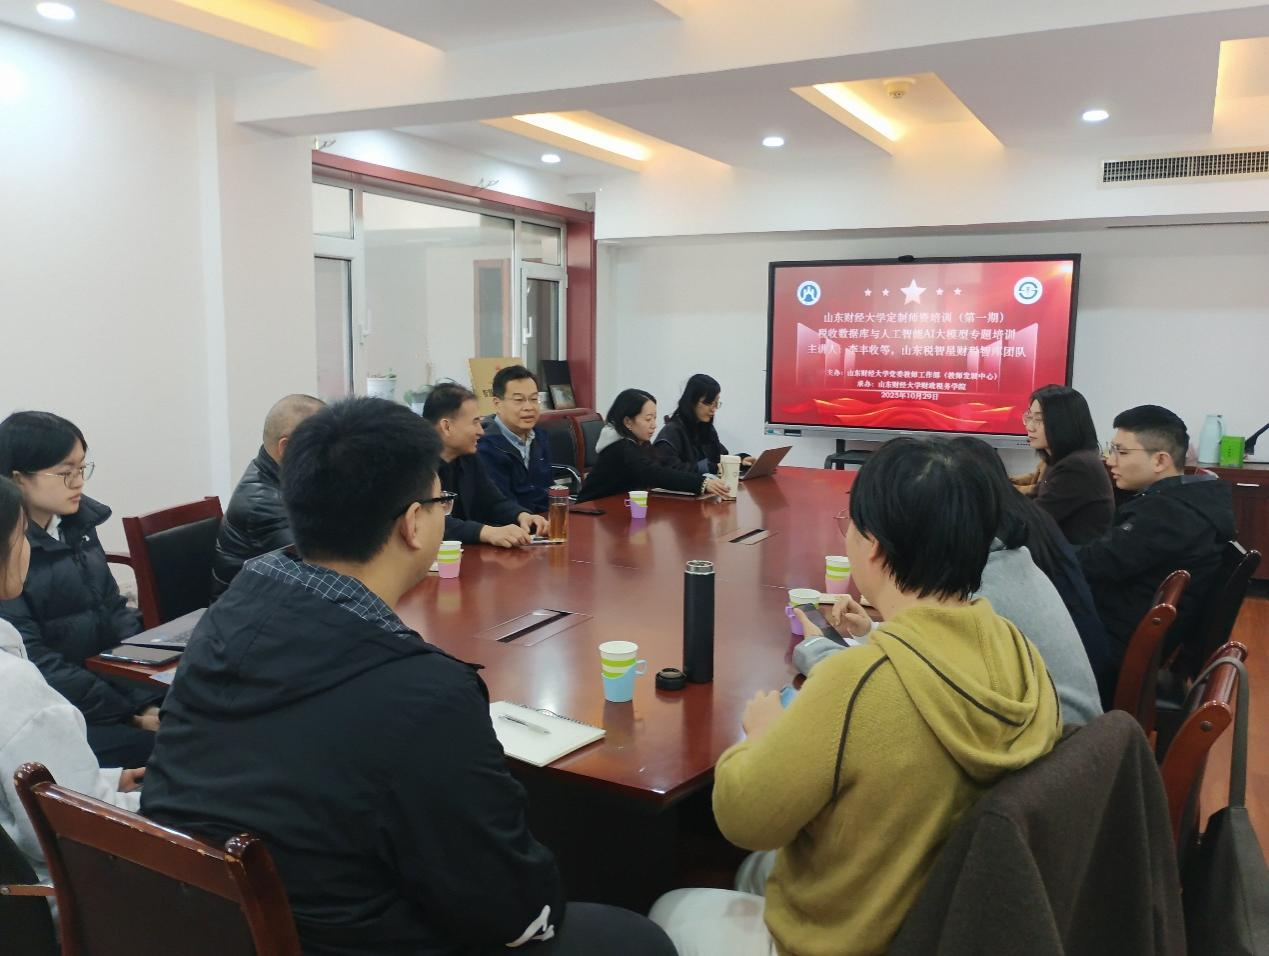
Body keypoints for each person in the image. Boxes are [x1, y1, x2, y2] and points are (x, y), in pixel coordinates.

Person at [141, 398, 675, 956]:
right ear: (414, 523)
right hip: (343, 940)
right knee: (632, 938)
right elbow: (514, 914)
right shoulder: (424, 694)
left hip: (196, 916)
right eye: (443, 501)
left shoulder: (227, 614)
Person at [650, 437, 1061, 956]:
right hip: (948, 920)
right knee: (760, 870)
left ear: (874, 547)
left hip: (851, 935)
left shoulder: (856, 682)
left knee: (667, 910)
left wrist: (760, 738)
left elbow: (743, 819)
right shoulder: (1018, 649)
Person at [796, 437, 1104, 726]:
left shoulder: (972, 586)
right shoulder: (1003, 558)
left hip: (1046, 750)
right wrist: (871, 631)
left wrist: (816, 649)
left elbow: (886, 693)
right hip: (1062, 742)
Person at [0, 476, 144, 888]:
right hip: (56, 897)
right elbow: (79, 831)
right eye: (20, 536)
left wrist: (106, 781)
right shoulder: (14, 687)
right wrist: (156, 800)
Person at [0, 412, 162, 769]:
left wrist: (144, 698)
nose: (78, 483)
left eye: (82, 468)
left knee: (202, 715)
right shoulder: (8, 554)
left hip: (110, 692)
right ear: (18, 478)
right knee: (171, 750)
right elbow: (37, 661)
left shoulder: (78, 525)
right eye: (65, 472)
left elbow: (115, 613)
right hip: (62, 709)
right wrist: (128, 712)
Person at [1079, 405, 1235, 671]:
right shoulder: (1181, 502)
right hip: (1122, 634)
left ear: (1160, 461)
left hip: (1112, 652)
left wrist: (1044, 547)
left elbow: (1095, 563)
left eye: (1122, 452)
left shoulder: (1168, 514)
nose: (1111, 460)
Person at [211, 393, 325, 598]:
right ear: (286, 448)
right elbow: (322, 570)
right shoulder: (261, 503)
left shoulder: (291, 479)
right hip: (246, 614)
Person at [423, 383, 548, 547]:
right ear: (446, 426)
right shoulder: (416, 465)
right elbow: (428, 522)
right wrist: (487, 532)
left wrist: (521, 516)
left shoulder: (468, 456)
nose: (481, 431)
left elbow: (493, 502)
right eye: (475, 422)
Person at [577, 389, 732, 502]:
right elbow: (655, 474)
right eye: (648, 419)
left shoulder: (640, 443)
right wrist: (702, 483)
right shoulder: (620, 448)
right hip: (591, 514)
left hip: (617, 510)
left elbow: (662, 468)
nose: (654, 425)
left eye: (654, 418)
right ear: (628, 422)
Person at [1010, 385, 1114, 545]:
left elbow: (1034, 518)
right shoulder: (1060, 459)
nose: (1030, 427)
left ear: (1064, 423)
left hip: (1073, 556)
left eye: (1039, 420)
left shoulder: (1078, 466)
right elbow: (1032, 499)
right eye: (1029, 417)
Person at [477, 365, 555, 512]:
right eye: (519, 400)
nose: (529, 407)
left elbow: (547, 489)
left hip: (543, 519)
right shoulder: (485, 446)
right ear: (497, 404)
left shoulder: (539, 437)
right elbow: (499, 504)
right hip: (510, 522)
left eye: (534, 399)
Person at [653, 373, 751, 475]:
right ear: (691, 401)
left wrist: (740, 461)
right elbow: (669, 471)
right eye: (708, 403)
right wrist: (709, 468)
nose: (713, 409)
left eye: (716, 403)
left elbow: (720, 458)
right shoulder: (671, 432)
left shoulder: (706, 428)